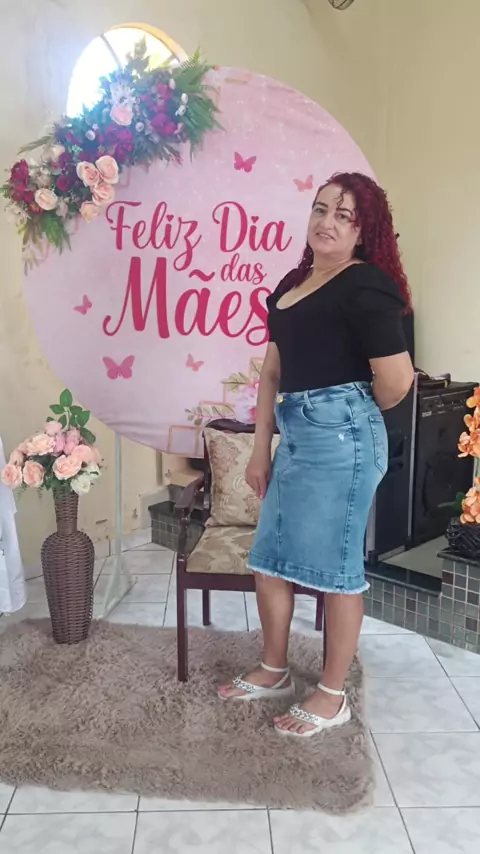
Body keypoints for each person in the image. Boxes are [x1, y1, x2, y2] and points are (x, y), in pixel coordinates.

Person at [218, 172, 414, 738]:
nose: (327, 222)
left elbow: (397, 381)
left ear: (363, 231)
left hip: (342, 438)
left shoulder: (366, 284)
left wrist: (344, 410)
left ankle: (332, 694)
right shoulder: (293, 283)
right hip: (295, 435)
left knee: (336, 571)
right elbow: (271, 374)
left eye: (344, 215)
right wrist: (260, 450)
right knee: (268, 557)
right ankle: (274, 668)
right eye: (321, 208)